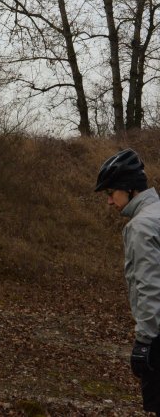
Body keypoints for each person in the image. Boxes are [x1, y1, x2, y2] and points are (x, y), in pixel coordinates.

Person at [95, 148, 160, 414]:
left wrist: (144, 341)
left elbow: (149, 286)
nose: (109, 201)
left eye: (111, 193)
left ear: (130, 189)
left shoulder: (141, 226)